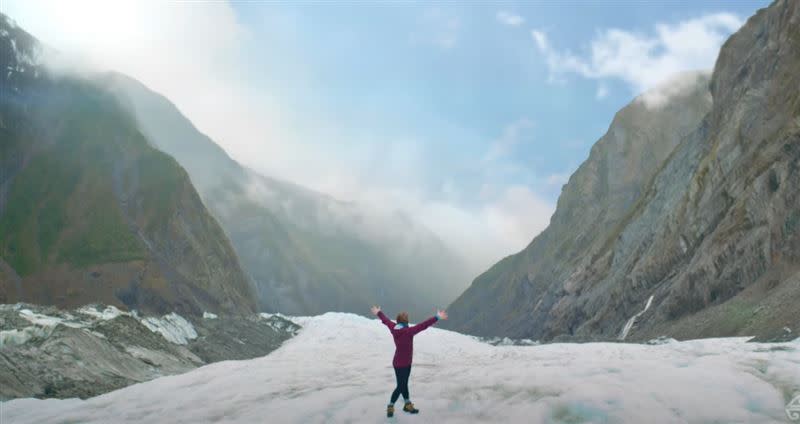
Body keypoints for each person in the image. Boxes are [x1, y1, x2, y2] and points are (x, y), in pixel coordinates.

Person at [370, 305, 448, 417]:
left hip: (397, 363)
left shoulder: (393, 328)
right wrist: (437, 317)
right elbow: (423, 325)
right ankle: (390, 405)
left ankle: (407, 404)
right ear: (406, 321)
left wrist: (379, 312)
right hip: (405, 364)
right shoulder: (409, 331)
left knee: (403, 384)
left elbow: (386, 321)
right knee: (401, 386)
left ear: (397, 321)